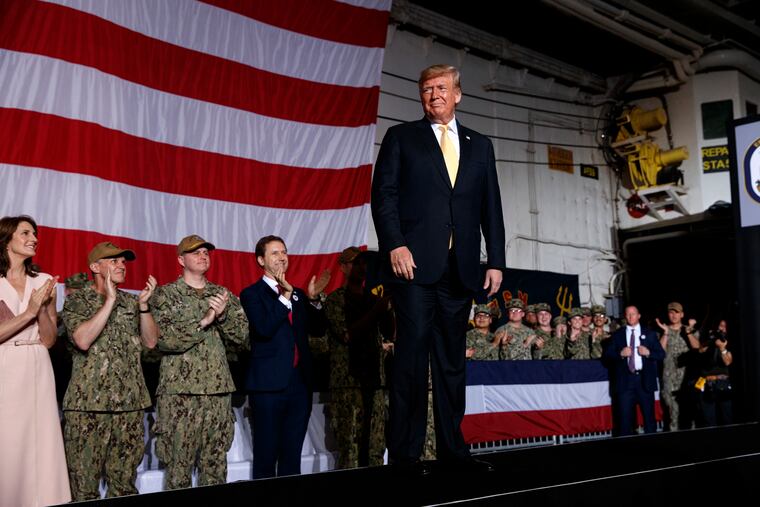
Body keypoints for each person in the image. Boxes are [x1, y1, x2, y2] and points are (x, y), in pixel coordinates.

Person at [371, 63, 505, 475]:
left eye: (442, 88)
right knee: (410, 360)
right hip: (413, 268)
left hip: (460, 270)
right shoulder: (401, 137)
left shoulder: (479, 145)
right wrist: (395, 243)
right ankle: (406, 457)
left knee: (451, 362)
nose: (434, 95)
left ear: (458, 94)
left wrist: (495, 260)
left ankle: (454, 452)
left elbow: (490, 207)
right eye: (427, 89)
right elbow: (384, 196)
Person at [62, 241, 159, 500]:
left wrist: (144, 306)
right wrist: (109, 301)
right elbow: (82, 339)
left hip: (129, 405)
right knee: (84, 488)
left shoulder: (132, 301)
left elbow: (151, 341)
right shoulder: (78, 301)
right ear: (95, 267)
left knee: (124, 487)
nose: (121, 265)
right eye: (113, 260)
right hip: (87, 407)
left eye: (123, 261)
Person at [152, 235, 249, 489]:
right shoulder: (165, 295)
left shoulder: (222, 295)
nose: (203, 255)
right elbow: (165, 341)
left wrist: (224, 315)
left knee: (215, 468)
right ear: (180, 259)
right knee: (178, 470)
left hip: (217, 393)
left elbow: (242, 338)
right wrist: (205, 320)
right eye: (195, 252)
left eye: (206, 251)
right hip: (179, 395)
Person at [240, 235, 330, 479]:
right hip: (268, 387)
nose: (282, 257)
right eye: (275, 253)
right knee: (266, 457)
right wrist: (285, 297)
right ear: (261, 260)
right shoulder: (251, 294)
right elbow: (264, 328)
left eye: (284, 252)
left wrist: (313, 300)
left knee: (292, 458)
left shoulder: (299, 295)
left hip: (299, 385)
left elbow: (319, 330)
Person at [0, 215, 71, 507]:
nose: (34, 238)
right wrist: (29, 311)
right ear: (6, 239)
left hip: (38, 362)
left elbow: (50, 339)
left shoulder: (43, 282)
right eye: (26, 233)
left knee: (41, 440)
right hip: (5, 365)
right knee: (9, 439)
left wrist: (41, 307)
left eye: (35, 233)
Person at [325, 246, 393, 469]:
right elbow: (346, 334)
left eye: (364, 263)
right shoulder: (336, 300)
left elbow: (391, 333)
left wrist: (389, 309)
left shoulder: (374, 299)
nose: (361, 268)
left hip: (373, 381)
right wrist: (376, 311)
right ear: (343, 267)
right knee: (351, 451)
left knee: (375, 447)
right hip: (348, 384)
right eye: (355, 263)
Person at [604, 305, 665, 436]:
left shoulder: (649, 333)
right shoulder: (617, 335)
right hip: (625, 381)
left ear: (639, 316)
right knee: (624, 421)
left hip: (644, 380)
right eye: (628, 314)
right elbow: (607, 355)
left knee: (649, 419)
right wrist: (620, 354)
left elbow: (661, 354)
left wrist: (648, 352)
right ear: (625, 317)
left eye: (633, 314)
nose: (631, 316)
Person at [655, 302, 700, 431]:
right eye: (671, 312)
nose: (674, 315)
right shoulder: (662, 330)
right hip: (669, 378)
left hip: (686, 379)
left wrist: (688, 333)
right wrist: (665, 333)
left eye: (676, 312)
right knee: (672, 413)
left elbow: (697, 347)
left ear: (682, 314)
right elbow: (660, 351)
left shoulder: (690, 330)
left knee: (688, 413)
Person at [695, 319, 732, 427]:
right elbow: (700, 350)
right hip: (706, 383)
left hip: (722, 383)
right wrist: (711, 340)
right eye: (721, 326)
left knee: (727, 418)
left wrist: (722, 348)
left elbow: (728, 362)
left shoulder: (727, 342)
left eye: (725, 326)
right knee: (709, 420)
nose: (723, 328)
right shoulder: (708, 340)